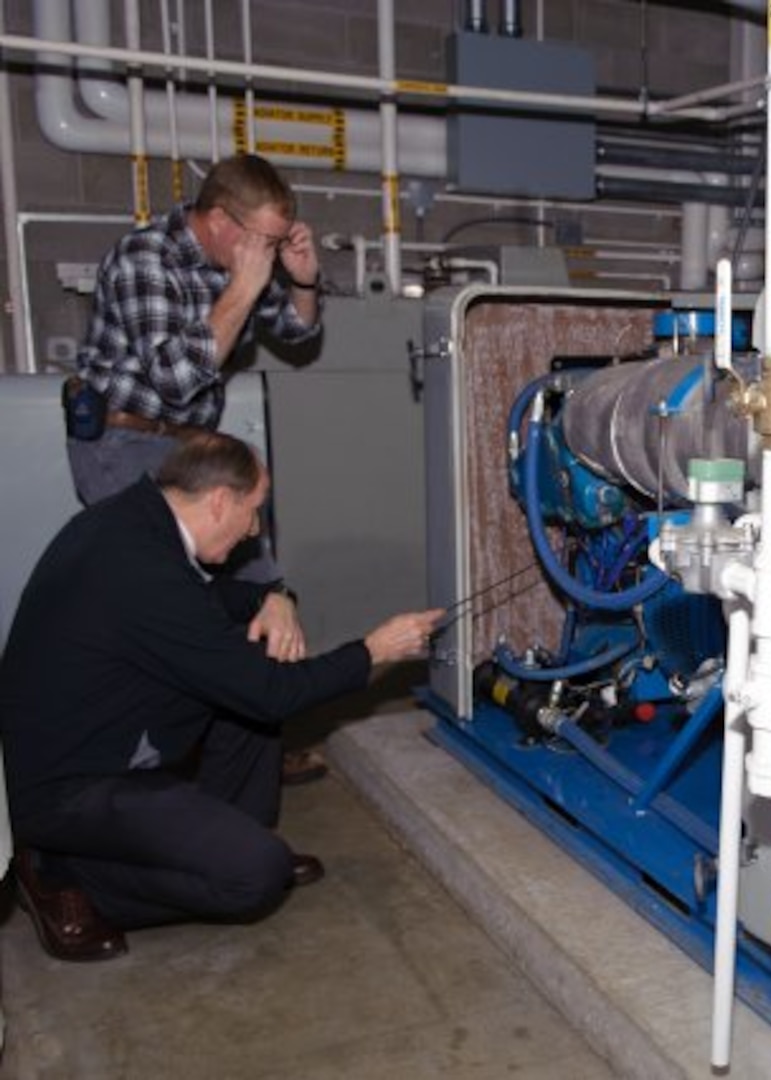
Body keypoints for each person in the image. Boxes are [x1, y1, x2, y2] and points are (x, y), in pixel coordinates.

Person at [0, 433, 441, 963]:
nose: (255, 529)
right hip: (69, 790)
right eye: (254, 512)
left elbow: (206, 601)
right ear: (219, 501)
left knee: (252, 653)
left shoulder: (135, 523)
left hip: (99, 738)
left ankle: (228, 842)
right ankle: (60, 875)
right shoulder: (141, 570)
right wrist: (375, 650)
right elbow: (272, 695)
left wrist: (273, 596)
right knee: (254, 876)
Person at [67, 152, 328, 784]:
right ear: (217, 221)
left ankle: (250, 750)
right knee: (163, 610)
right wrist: (243, 284)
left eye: (278, 240)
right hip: (124, 447)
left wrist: (302, 280)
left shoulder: (245, 258)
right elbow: (175, 379)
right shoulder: (143, 260)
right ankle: (148, 767)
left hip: (192, 446)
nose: (268, 252)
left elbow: (296, 334)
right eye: (263, 240)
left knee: (262, 588)